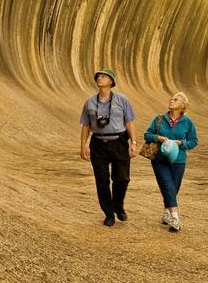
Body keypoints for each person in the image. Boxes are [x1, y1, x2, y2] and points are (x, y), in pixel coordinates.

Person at [79, 69, 138, 226]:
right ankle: (109, 213)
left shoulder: (122, 100)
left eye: (103, 76)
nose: (99, 78)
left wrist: (133, 142)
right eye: (98, 76)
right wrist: (83, 145)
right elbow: (85, 125)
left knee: (122, 179)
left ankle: (118, 205)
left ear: (111, 81)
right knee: (102, 181)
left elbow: (130, 122)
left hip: (119, 142)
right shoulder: (90, 102)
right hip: (98, 144)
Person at [143, 92, 198, 232]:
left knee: (173, 188)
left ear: (183, 105)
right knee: (167, 185)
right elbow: (147, 134)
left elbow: (193, 141)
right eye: (171, 99)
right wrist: (159, 138)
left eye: (176, 99)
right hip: (160, 159)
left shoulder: (188, 122)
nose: (171, 101)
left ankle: (166, 213)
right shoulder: (159, 118)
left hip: (179, 160)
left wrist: (181, 143)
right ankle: (175, 218)